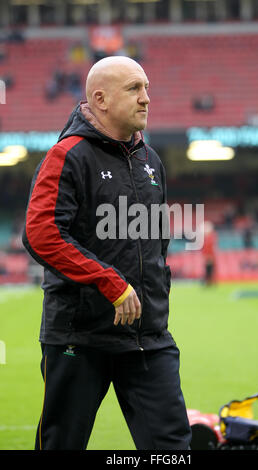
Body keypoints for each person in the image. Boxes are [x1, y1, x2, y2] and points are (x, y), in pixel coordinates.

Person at [22, 56, 192, 451]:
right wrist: (109, 281)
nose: (146, 98)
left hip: (148, 338)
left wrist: (155, 298)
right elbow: (41, 233)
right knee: (61, 444)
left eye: (147, 88)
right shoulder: (67, 154)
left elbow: (156, 242)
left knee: (173, 447)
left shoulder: (151, 161)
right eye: (134, 89)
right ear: (100, 98)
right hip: (79, 336)